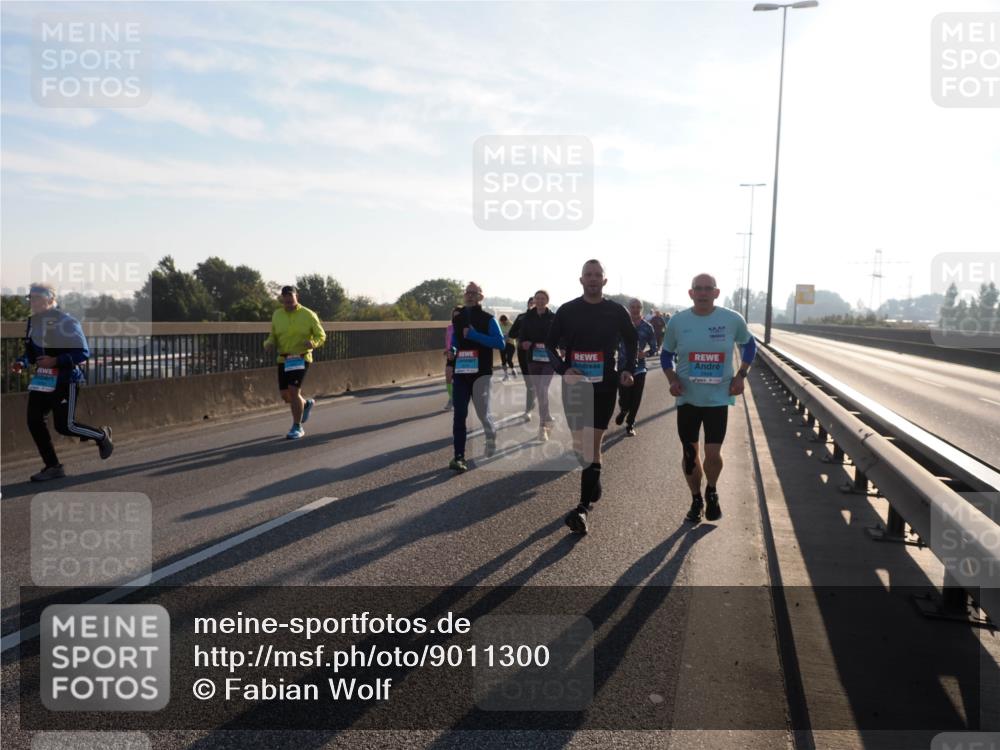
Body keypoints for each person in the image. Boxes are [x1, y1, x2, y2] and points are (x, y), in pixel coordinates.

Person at [545, 261, 637, 535]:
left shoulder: (615, 311)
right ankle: (593, 481)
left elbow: (631, 341)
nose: (593, 279)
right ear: (581, 279)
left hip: (604, 386)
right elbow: (549, 345)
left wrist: (627, 368)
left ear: (604, 281)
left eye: (598, 275)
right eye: (589, 275)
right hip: (574, 385)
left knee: (591, 444)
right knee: (579, 444)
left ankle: (582, 509)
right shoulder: (567, 310)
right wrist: (563, 368)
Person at [661, 273, 756, 523]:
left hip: (717, 400)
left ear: (716, 292)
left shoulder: (731, 319)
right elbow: (666, 354)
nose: (702, 293)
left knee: (712, 454)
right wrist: (672, 379)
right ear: (691, 293)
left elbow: (749, 345)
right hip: (688, 400)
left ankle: (711, 489)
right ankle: (696, 499)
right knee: (690, 454)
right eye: (698, 289)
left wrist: (741, 375)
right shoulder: (678, 322)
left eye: (708, 289)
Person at [12, 283, 113, 481]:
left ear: (50, 299)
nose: (33, 302)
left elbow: (83, 352)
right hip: (42, 380)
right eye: (30, 298)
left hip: (66, 380)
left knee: (64, 426)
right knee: (34, 421)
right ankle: (53, 466)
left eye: (37, 298)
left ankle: (101, 436)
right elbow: (31, 353)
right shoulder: (33, 322)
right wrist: (21, 362)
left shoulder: (66, 322)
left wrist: (55, 361)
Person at [449, 282, 506, 472]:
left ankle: (491, 435)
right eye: (468, 292)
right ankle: (459, 457)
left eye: (474, 293)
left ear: (481, 297)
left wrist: (475, 335)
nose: (470, 295)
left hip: (481, 373)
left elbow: (500, 343)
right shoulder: (458, 318)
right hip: (462, 373)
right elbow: (455, 341)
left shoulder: (488, 319)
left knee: (482, 413)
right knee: (460, 414)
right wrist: (452, 351)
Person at [263, 285, 326, 440]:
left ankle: (297, 426)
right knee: (285, 395)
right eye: (286, 302)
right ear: (282, 300)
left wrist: (314, 343)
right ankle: (305, 404)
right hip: (284, 358)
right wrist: (268, 344)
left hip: (301, 357)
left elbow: (321, 335)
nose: (289, 305)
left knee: (293, 390)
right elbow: (273, 335)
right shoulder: (277, 315)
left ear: (297, 297)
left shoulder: (309, 315)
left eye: (291, 301)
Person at [517, 290, 557, 441]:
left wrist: (562, 347)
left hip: (549, 359)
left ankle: (542, 428)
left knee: (543, 389)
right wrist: (523, 343)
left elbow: (561, 336)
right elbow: (521, 336)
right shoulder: (527, 317)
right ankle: (547, 417)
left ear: (547, 300)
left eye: (543, 298)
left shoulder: (553, 318)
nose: (540, 301)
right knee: (539, 392)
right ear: (534, 300)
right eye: (537, 298)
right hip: (533, 358)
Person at [615, 298, 657, 437]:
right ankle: (624, 410)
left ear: (642, 309)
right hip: (622, 365)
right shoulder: (621, 325)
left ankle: (630, 423)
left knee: (636, 397)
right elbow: (613, 342)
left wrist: (645, 353)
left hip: (639, 367)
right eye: (632, 306)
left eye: (638, 307)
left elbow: (654, 347)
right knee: (624, 395)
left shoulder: (647, 327)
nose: (635, 309)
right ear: (628, 308)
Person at [507, 297, 536, 419]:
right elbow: (511, 334)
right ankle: (529, 408)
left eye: (537, 301)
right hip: (523, 352)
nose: (534, 304)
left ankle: (533, 406)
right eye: (532, 302)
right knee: (529, 382)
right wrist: (523, 336)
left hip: (540, 354)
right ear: (528, 304)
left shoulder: (548, 317)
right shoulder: (521, 317)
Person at [443, 306, 461, 410]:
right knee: (448, 377)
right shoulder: (449, 328)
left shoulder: (466, 327)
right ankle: (451, 399)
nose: (456, 319)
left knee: (460, 380)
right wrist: (447, 349)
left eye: (458, 317)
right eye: (454, 317)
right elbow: (448, 340)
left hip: (463, 356)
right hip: (451, 355)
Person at [498, 315, 516, 380]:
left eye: (504, 322)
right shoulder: (499, 325)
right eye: (502, 322)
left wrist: (508, 336)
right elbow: (498, 334)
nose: (503, 323)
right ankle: (506, 375)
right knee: (503, 360)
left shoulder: (511, 324)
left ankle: (513, 369)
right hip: (502, 344)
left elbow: (514, 333)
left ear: (507, 320)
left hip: (510, 344)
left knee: (509, 359)